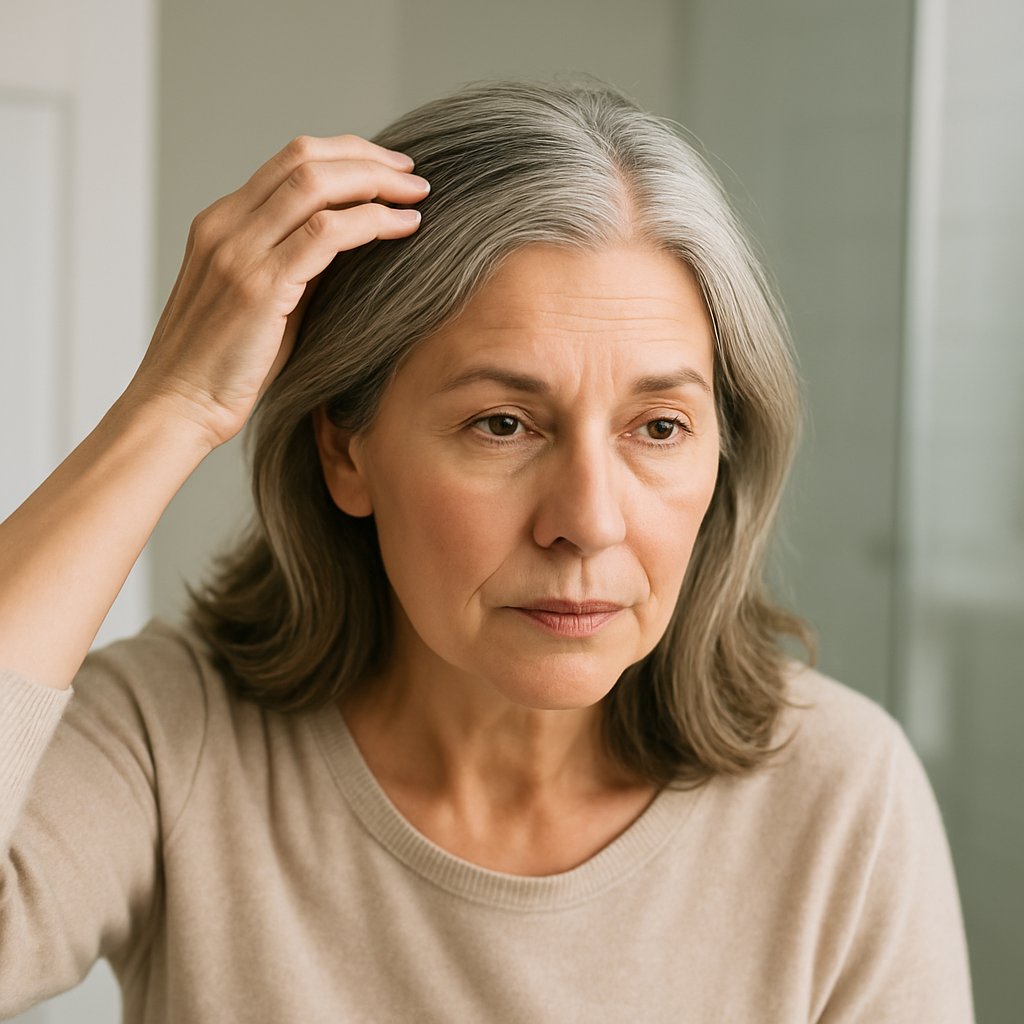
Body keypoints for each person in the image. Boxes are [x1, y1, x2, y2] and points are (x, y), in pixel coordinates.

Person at [0, 78, 973, 1022]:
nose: (588, 520)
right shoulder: (174, 737)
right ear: (347, 450)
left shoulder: (841, 795)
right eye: (502, 423)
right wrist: (171, 407)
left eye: (660, 426)